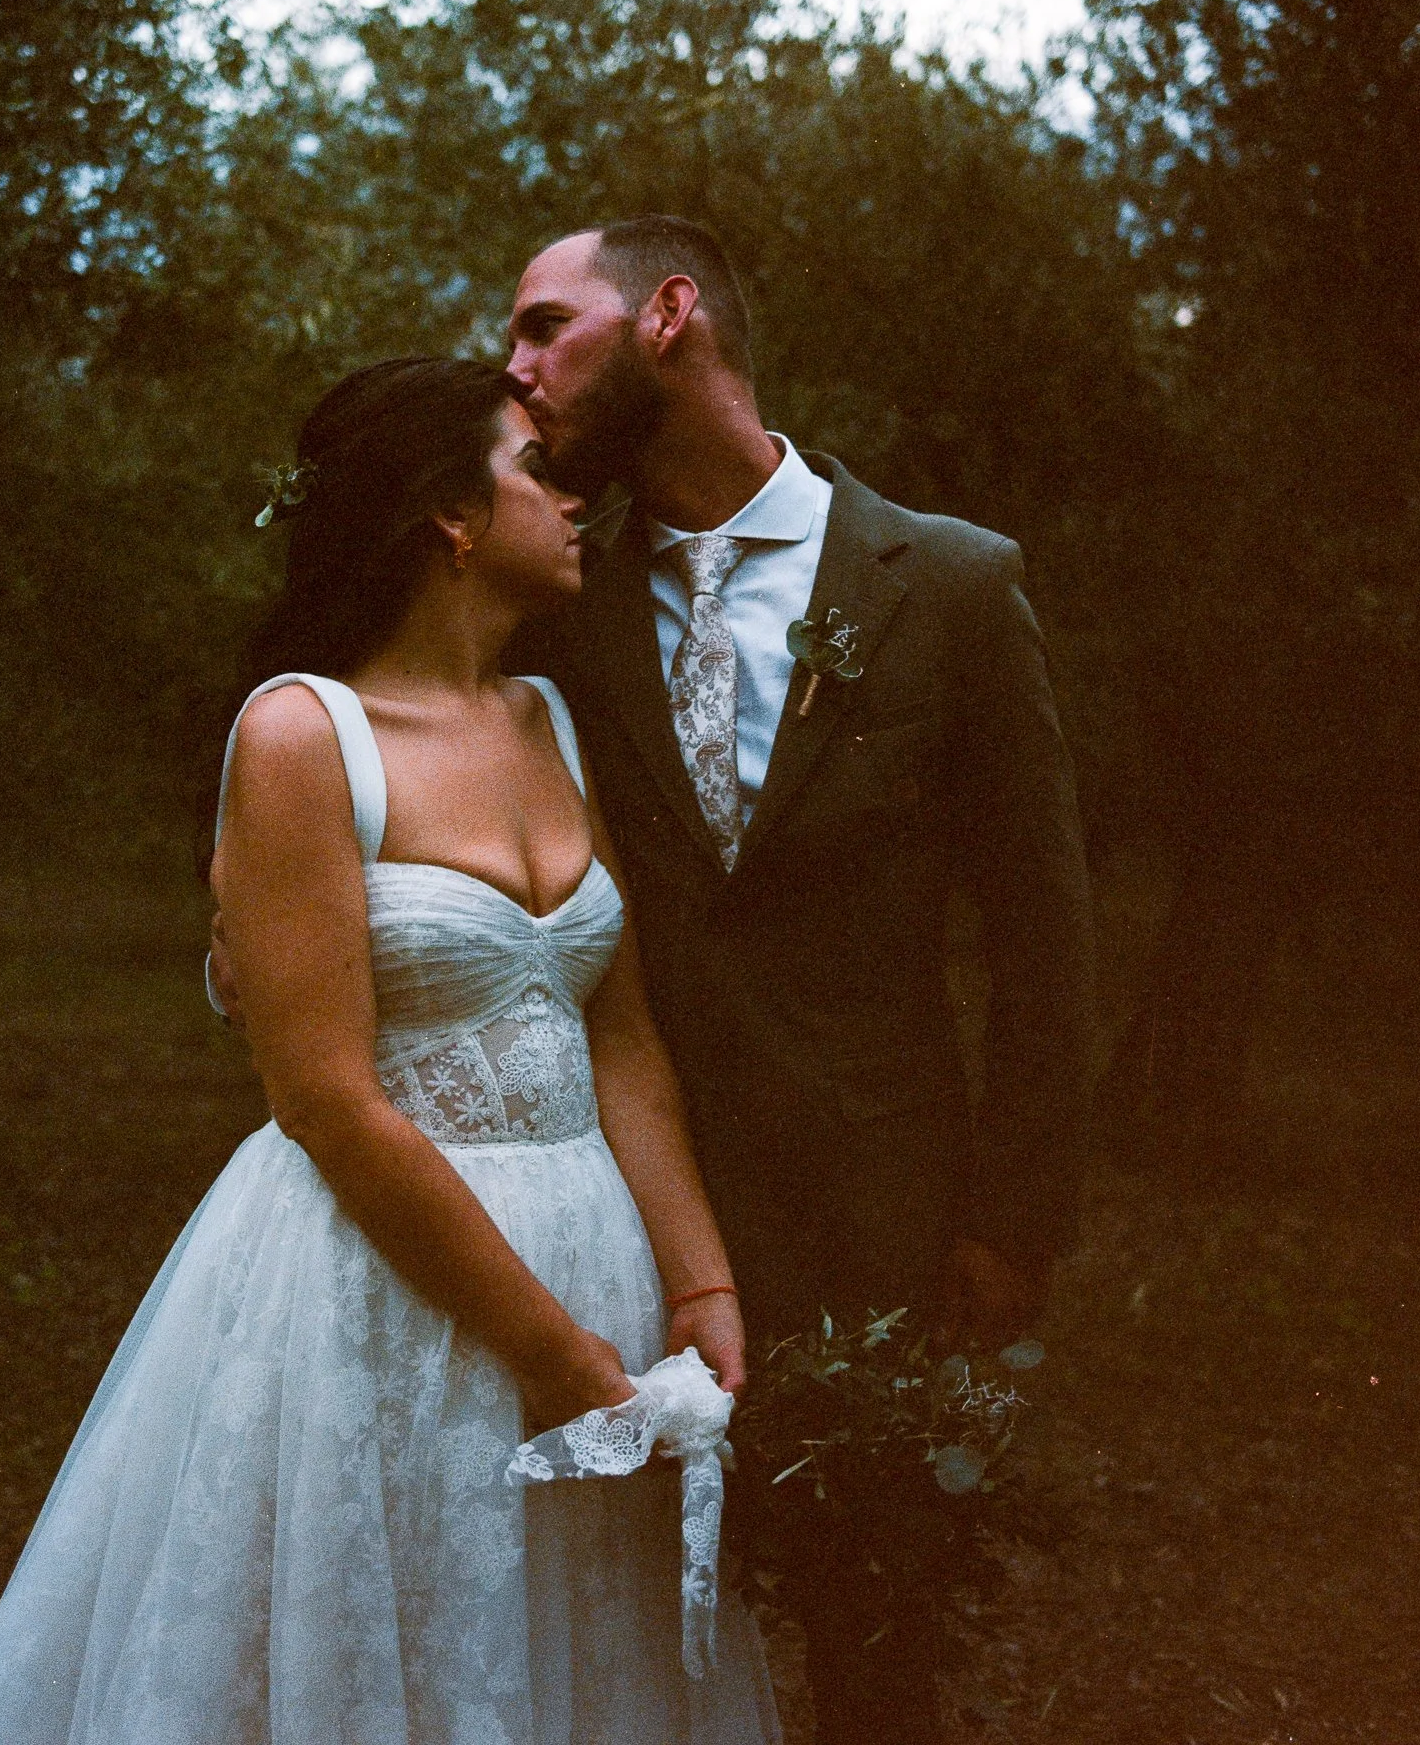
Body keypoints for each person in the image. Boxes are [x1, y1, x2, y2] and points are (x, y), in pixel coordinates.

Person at [0, 356, 779, 1745]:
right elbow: (325, 1098)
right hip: (390, 1295)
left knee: (569, 1662)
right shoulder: (299, 735)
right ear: (447, 513)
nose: (574, 499)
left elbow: (620, 1036)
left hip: (596, 1255)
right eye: (533, 469)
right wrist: (556, 1360)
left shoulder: (550, 720)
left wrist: (698, 1280)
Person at [502, 216, 1096, 1744]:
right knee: (615, 1621)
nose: (515, 369)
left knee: (872, 1640)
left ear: (669, 318)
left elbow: (1045, 935)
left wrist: (1011, 1216)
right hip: (622, 1203)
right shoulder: (551, 597)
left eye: (544, 326)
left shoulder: (951, 587)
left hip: (877, 1219)